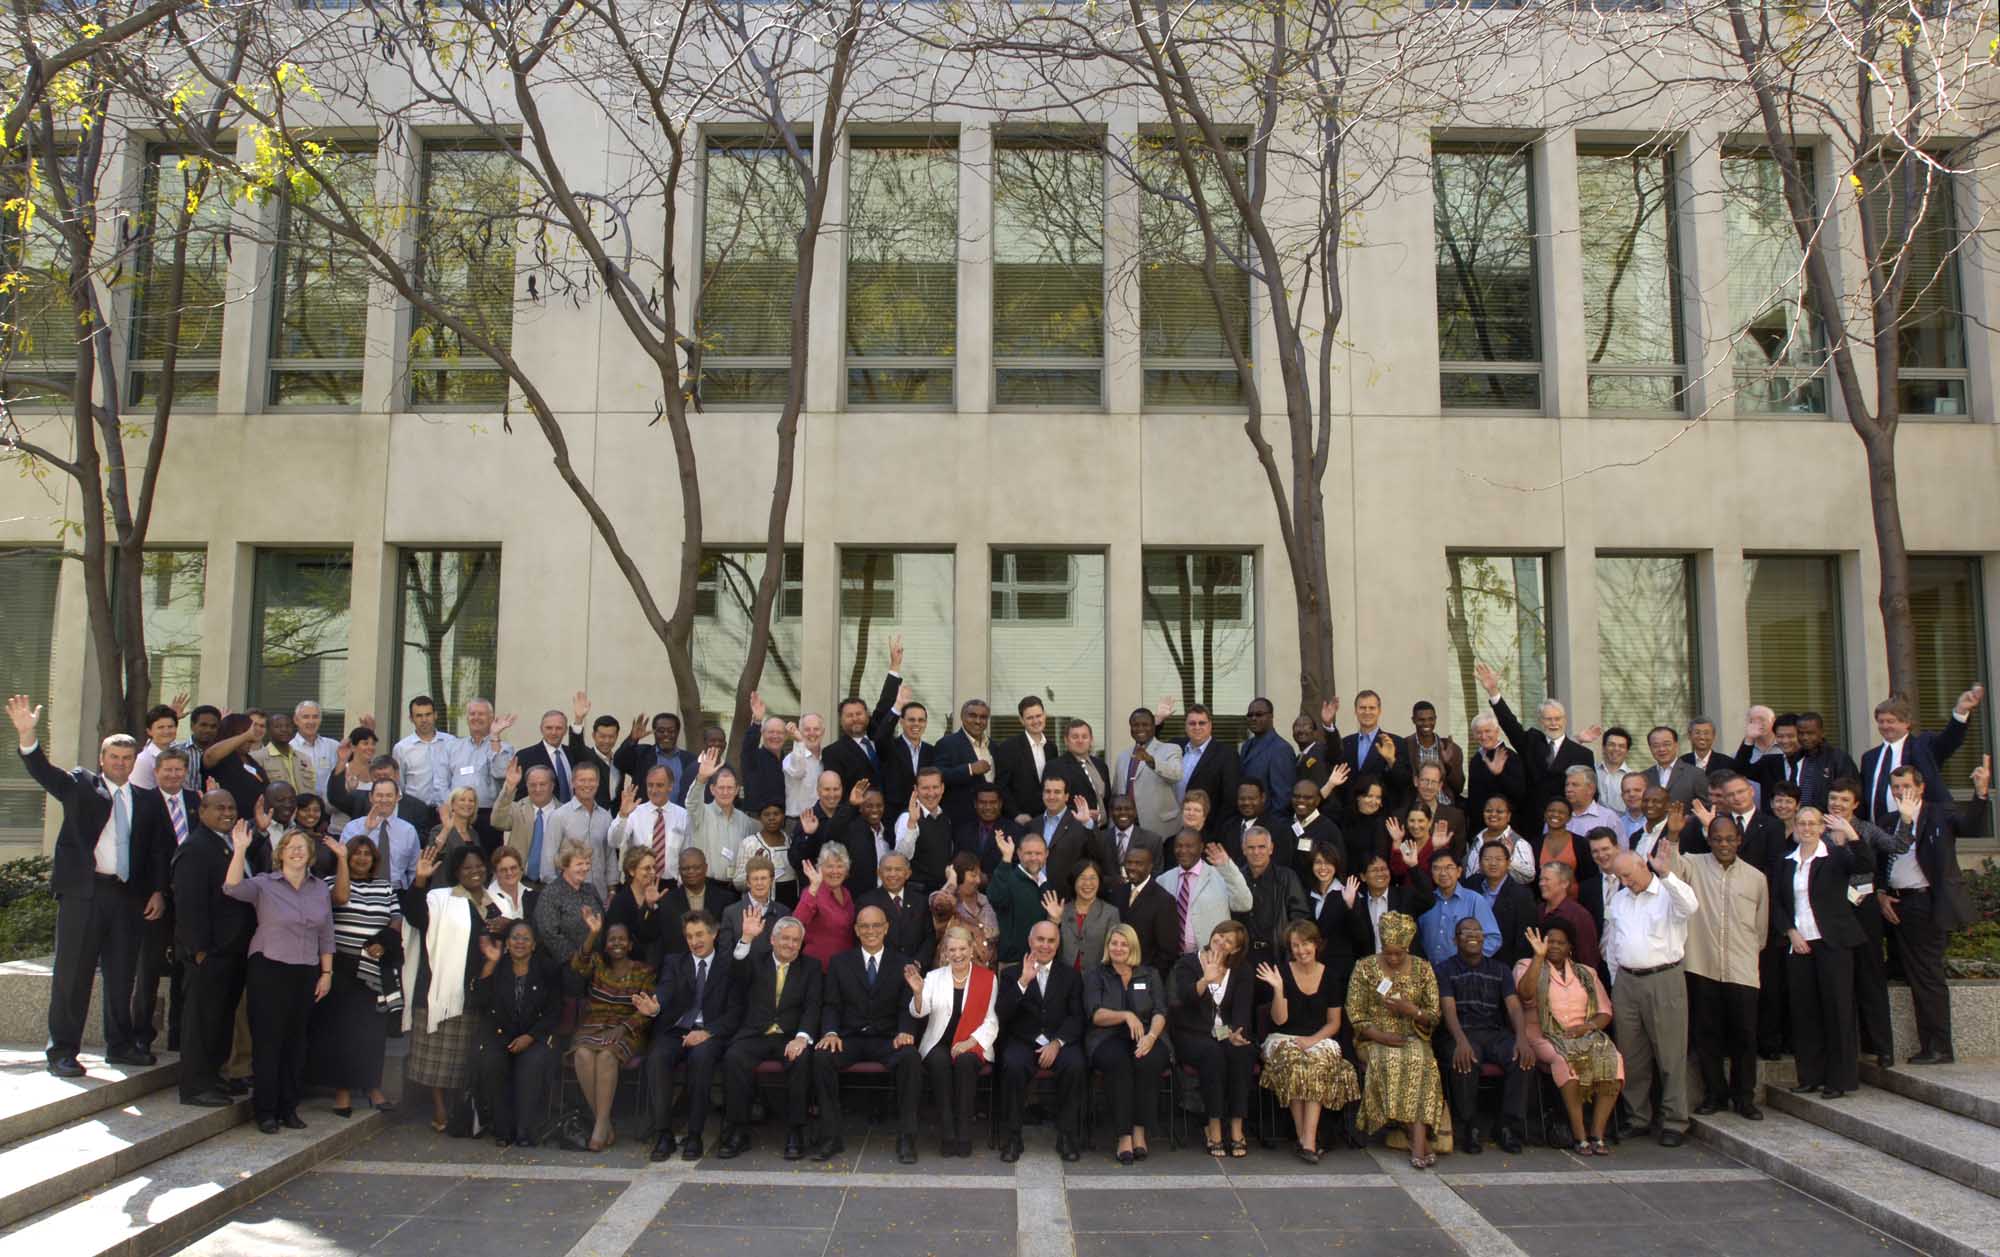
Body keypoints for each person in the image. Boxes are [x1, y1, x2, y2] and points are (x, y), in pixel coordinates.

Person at [9, 694, 151, 1074]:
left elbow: (155, 850)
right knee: (73, 975)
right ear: (102, 759)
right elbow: (45, 772)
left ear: (135, 762)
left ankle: (120, 1045)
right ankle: (62, 1052)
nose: (120, 763)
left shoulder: (145, 799)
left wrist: (155, 891)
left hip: (126, 896)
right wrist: (27, 736)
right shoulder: (82, 785)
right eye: (114, 757)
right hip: (84, 894)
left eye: (127, 758)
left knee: (122, 975)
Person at [223, 826, 334, 1134]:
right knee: (268, 1041)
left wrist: (327, 973)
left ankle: (289, 1108)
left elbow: (326, 934)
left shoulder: (320, 889)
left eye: (302, 846)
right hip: (269, 967)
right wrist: (240, 849)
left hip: (306, 969)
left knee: (295, 1043)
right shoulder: (264, 884)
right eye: (290, 846)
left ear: (310, 855)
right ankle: (266, 1111)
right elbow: (231, 887)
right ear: (280, 853)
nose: (297, 851)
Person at [1879, 758, 1991, 1064]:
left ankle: (1939, 1047)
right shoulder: (1888, 821)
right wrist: (1881, 894)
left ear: (1921, 788)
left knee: (1927, 976)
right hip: (1895, 904)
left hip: (1926, 903)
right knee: (1909, 974)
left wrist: (1981, 793)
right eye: (1895, 787)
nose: (1900, 792)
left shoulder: (1939, 814)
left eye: (1906, 786)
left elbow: (1971, 828)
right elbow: (1881, 863)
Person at [1659, 807, 1767, 1119]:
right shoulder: (1693, 864)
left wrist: (1747, 952)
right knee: (1707, 1035)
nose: (1723, 844)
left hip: (1742, 968)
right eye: (1717, 839)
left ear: (1739, 840)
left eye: (1729, 839)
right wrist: (1674, 834)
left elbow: (1760, 929)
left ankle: (1744, 1098)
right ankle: (1715, 1095)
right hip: (1702, 965)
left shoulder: (1756, 878)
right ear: (1709, 839)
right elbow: (1670, 872)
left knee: (1745, 1036)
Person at [405, 842, 508, 1134]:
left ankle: (462, 1112)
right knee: (437, 1060)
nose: (474, 871)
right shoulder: (441, 898)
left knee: (464, 1060)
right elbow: (415, 916)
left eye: (479, 866)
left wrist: (507, 926)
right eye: (467, 868)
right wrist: (420, 880)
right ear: (456, 872)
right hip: (441, 989)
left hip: (477, 991)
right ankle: (439, 1109)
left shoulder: (495, 902)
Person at [808, 904, 921, 1162]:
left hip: (887, 1038)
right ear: (857, 930)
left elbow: (906, 1005)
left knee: (910, 1058)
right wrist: (830, 1032)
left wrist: (905, 1031)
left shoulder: (903, 963)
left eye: (876, 925)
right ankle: (830, 1137)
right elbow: (831, 1004)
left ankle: (907, 1138)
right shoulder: (840, 962)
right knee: (822, 1057)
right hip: (850, 1038)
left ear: (886, 928)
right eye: (865, 926)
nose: (871, 931)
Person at [1603, 847, 1698, 1146]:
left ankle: (1675, 1121)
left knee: (1670, 1053)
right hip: (1626, 981)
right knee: (1632, 1054)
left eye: (1628, 875)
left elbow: (1690, 906)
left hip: (1663, 978)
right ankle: (1637, 1117)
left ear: (1642, 866)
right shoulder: (1620, 899)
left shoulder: (1668, 893)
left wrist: (1666, 873)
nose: (1625, 882)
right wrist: (1615, 981)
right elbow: (1613, 943)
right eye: (1620, 877)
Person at [305, 833, 401, 1117]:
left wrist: (383, 941)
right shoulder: (330, 883)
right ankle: (343, 1091)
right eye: (356, 853)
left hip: (374, 967)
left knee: (372, 1032)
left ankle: (373, 1087)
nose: (362, 858)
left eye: (367, 854)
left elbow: (396, 920)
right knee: (342, 1031)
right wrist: (341, 860)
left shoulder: (385, 887)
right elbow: (340, 898)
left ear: (374, 859)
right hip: (342, 967)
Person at [636, 908, 740, 1161]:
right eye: (690, 936)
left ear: (714, 934)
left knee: (700, 1059)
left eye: (700, 934)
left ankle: (694, 1134)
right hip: (677, 1030)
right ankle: (663, 1133)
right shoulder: (675, 962)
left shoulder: (728, 965)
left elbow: (736, 1011)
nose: (695, 941)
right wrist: (655, 1006)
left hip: (710, 1032)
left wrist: (708, 1032)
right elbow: (665, 990)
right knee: (657, 1057)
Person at [1774, 806, 1863, 1099]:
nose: (1807, 828)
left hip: (1832, 943)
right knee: (1805, 1012)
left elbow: (1865, 863)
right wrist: (1790, 932)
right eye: (1802, 823)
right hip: (1800, 944)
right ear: (1795, 828)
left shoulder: (1834, 857)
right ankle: (1810, 1076)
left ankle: (1839, 1080)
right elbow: (1777, 903)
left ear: (1822, 828)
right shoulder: (1785, 862)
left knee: (1837, 1011)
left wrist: (1850, 834)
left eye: (1812, 823)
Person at [1348, 911, 1449, 1166]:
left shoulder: (1423, 969)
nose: (1393, 958)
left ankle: (1416, 1138)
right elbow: (1355, 1014)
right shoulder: (1365, 967)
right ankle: (1419, 1143)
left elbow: (1434, 1015)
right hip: (1373, 1038)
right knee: (1391, 1060)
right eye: (1388, 953)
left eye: (1399, 953)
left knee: (1421, 1063)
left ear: (1408, 947)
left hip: (1413, 1037)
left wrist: (1411, 1011)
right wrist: (1381, 1036)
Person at [174, 790, 254, 1106]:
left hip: (232, 950)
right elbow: (189, 903)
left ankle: (212, 1077)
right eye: (219, 807)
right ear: (202, 811)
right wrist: (199, 949)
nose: (227, 812)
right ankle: (194, 1086)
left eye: (232, 807)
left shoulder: (228, 843)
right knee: (201, 1020)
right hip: (208, 953)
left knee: (220, 1019)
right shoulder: (195, 848)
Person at [719, 911, 820, 1159]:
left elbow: (813, 1006)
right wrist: (746, 938)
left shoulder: (811, 967)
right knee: (734, 1057)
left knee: (802, 1059)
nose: (790, 944)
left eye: (796, 940)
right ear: (773, 940)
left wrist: (802, 1037)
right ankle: (738, 1130)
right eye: (785, 938)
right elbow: (736, 972)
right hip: (756, 1034)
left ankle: (796, 1131)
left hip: (789, 1036)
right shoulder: (755, 960)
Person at [1258, 918, 1361, 1162]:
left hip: (1320, 1037)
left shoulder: (1330, 975)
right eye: (1295, 945)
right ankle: (1305, 1139)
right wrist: (1278, 989)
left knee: (1315, 1063)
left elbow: (1334, 1022)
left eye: (1305, 944)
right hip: (1284, 1036)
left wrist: (1312, 1040)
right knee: (1295, 1062)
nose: (1301, 950)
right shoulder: (1282, 972)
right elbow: (1279, 1020)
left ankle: (1307, 1140)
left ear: (1316, 945)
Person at [1516, 921, 1622, 1154]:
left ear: (1570, 947)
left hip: (1583, 1034)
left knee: (1614, 1058)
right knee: (1564, 1061)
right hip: (1543, 1036)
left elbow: (1605, 1011)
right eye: (1550, 941)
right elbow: (1525, 994)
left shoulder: (1586, 973)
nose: (1554, 946)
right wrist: (1538, 957)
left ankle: (1597, 1134)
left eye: (1560, 943)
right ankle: (1579, 1135)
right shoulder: (1526, 965)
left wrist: (1588, 1027)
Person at [1436, 916, 1534, 1155]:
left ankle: (1507, 1126)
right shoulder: (1444, 969)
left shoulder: (1500, 969)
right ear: (1455, 940)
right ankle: (1470, 1126)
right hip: (1460, 1032)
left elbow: (1513, 1006)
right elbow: (1448, 1009)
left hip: (1493, 1033)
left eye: (1477, 931)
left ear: (1484, 938)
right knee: (1465, 1060)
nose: (1473, 935)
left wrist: (1522, 1039)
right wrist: (1461, 1041)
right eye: (1466, 931)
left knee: (1521, 1059)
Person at [995, 920, 1086, 1163]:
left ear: (1058, 944)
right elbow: (1002, 1013)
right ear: (1030, 941)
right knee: (1013, 1065)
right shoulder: (1011, 973)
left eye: (1051, 940)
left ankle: (1066, 1136)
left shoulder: (1070, 975)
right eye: (1040, 939)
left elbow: (1077, 1017)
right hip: (1023, 1040)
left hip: (1059, 1042)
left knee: (1075, 1065)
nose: (1045, 945)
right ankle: (1013, 1136)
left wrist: (1057, 1043)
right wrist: (1023, 982)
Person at [132, 744, 201, 1058]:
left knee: (185, 968)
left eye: (178, 770)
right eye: (167, 770)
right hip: (156, 898)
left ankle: (179, 1036)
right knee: (149, 968)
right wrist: (156, 890)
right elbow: (142, 852)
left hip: (188, 899)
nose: (173, 775)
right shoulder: (143, 802)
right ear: (156, 772)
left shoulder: (196, 801)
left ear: (186, 772)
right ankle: (141, 1036)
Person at [567, 908, 656, 1151]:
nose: (617, 943)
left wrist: (624, 1028)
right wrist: (593, 933)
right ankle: (604, 1123)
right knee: (582, 1054)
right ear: (605, 945)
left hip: (627, 1030)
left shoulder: (644, 971)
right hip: (592, 1025)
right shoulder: (598, 964)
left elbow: (647, 1010)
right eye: (611, 939)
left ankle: (600, 1126)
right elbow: (577, 964)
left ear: (630, 945)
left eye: (622, 939)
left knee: (607, 1056)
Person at [906, 924, 998, 1157]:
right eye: (952, 950)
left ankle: (964, 1133)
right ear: (945, 952)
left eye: (962, 949)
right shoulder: (934, 977)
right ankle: (947, 1133)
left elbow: (991, 1020)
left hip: (971, 1043)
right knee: (939, 1062)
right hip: (939, 1042)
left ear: (971, 949)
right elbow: (920, 1012)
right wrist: (918, 993)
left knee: (966, 1062)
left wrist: (970, 1043)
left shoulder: (988, 978)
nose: (957, 954)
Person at [470, 919, 563, 1148]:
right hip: (501, 1035)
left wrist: (530, 1037)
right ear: (507, 943)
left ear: (534, 944)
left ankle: (525, 1131)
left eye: (525, 938)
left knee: (531, 1064)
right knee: (492, 1062)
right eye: (515, 937)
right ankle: (502, 1130)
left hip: (536, 1036)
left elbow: (554, 1011)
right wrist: (490, 963)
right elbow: (479, 1001)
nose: (520, 942)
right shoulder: (498, 966)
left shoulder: (547, 968)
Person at [1169, 920, 1257, 1158]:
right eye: (1219, 935)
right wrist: (1205, 980)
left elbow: (1241, 1012)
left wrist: (1235, 1033)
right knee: (1212, 1053)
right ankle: (1214, 1124)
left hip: (1224, 1033)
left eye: (1228, 941)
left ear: (1235, 949)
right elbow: (1183, 1000)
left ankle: (1237, 1126)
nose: (1221, 941)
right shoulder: (1188, 963)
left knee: (1242, 1051)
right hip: (1192, 1033)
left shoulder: (1242, 970)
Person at [1084, 923, 1169, 1165]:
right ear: (1107, 946)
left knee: (1147, 1061)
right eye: (1114, 943)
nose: (1118, 948)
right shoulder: (1096, 975)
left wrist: (1151, 1037)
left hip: (1147, 1035)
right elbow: (1095, 1014)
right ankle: (1124, 1135)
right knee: (1119, 1063)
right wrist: (1125, 1015)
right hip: (1106, 1037)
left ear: (1133, 947)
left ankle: (1139, 1129)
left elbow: (1160, 1011)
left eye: (1124, 944)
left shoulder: (1149, 974)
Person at [1475, 662, 1600, 817]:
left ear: (1565, 720)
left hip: (1567, 821)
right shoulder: (1531, 742)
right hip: (1532, 821)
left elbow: (1592, 793)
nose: (1553, 723)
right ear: (1541, 721)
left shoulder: (1582, 754)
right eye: (1548, 719)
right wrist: (1493, 691)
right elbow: (1510, 723)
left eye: (1557, 719)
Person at [821, 655, 902, 799]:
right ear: (841, 721)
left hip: (891, 808)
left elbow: (885, 702)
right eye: (849, 715)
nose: (855, 718)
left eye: (859, 714)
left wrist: (895, 665)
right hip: (860, 810)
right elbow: (837, 794)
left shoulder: (878, 733)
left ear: (867, 715)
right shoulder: (832, 753)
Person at [1303, 843, 1365, 1007]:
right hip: (1311, 967)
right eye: (1318, 862)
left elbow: (1361, 936)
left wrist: (1350, 907)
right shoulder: (1306, 893)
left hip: (1340, 969)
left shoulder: (1348, 891)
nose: (1323, 868)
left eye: (1328, 862)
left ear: (1336, 865)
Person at [1414, 848, 1499, 965]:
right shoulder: (1425, 901)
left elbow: (1493, 939)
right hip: (1428, 970)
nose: (1443, 873)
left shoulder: (1475, 900)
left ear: (1459, 872)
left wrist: (1470, 961)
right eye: (1437, 868)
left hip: (1463, 971)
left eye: (1449, 867)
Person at [1239, 826, 1309, 966]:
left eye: (1262, 847)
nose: (1256, 852)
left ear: (1271, 848)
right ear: (1243, 849)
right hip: (1244, 956)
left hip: (1278, 955)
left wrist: (1292, 952)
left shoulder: (1287, 877)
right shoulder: (1237, 878)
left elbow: (1300, 917)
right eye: (1251, 847)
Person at [1107, 843, 1179, 975]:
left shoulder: (1164, 900)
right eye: (1129, 863)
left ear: (1150, 866)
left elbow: (1168, 951)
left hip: (1145, 977)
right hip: (1114, 974)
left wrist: (1149, 977)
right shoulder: (1117, 893)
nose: (1132, 867)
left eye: (1138, 864)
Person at [533, 837, 606, 964]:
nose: (585, 868)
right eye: (579, 864)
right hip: (566, 966)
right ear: (565, 865)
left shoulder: (590, 889)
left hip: (597, 962)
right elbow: (549, 934)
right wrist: (576, 959)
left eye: (587, 863)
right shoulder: (551, 894)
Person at [340, 778, 422, 890]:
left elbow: (413, 869)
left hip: (397, 891)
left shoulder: (408, 830)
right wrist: (367, 830)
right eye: (379, 795)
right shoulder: (353, 826)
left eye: (389, 795)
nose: (384, 800)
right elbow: (344, 857)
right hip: (360, 888)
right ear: (371, 797)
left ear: (397, 798)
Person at [1114, 705, 1184, 835]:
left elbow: (1176, 774)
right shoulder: (1123, 756)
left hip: (1161, 828)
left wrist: (1151, 761)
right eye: (1136, 725)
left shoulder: (1170, 749)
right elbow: (1116, 793)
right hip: (1128, 827)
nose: (1140, 728)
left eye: (1145, 725)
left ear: (1153, 727)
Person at [1176, 704, 1242, 841]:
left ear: (1210, 725)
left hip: (1206, 832)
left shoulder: (1227, 755)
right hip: (1174, 827)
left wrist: (1214, 833)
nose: (1197, 727)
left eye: (1202, 723)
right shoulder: (1176, 748)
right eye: (1192, 723)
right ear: (1185, 726)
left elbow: (1229, 800)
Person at [554, 761, 617, 902]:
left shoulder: (605, 817)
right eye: (582, 780)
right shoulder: (559, 816)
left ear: (598, 783)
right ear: (573, 783)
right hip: (568, 896)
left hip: (600, 895)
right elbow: (549, 859)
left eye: (591, 780)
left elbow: (610, 855)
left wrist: (612, 890)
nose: (587, 785)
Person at [1339, 691, 1411, 812]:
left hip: (1383, 813)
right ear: (1355, 711)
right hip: (1350, 814)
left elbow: (1405, 782)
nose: (1367, 712)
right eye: (1362, 708)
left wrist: (1391, 760)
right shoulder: (1345, 743)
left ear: (1379, 711)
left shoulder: (1396, 742)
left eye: (1372, 708)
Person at [492, 761, 562, 882]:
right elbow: (497, 821)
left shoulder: (564, 813)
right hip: (518, 881)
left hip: (553, 883)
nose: (537, 789)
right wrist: (509, 787)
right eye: (532, 785)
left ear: (552, 786)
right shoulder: (517, 808)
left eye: (542, 784)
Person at [860, 851, 934, 965]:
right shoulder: (866, 902)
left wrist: (918, 963)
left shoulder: (921, 901)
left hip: (915, 969)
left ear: (908, 873)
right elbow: (863, 939)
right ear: (879, 873)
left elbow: (929, 937)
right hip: (882, 969)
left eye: (898, 869)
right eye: (888, 869)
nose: (893, 874)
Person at [927, 853, 1000, 966]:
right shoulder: (947, 901)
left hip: (984, 972)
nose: (978, 880)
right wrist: (952, 881)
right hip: (953, 971)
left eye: (979, 875)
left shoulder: (986, 901)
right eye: (973, 875)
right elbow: (940, 904)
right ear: (959, 876)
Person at [793, 843, 860, 967]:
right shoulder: (812, 892)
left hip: (845, 966)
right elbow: (796, 923)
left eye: (840, 866)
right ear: (820, 869)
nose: (835, 871)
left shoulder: (846, 893)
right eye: (829, 866)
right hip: (818, 968)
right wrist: (814, 887)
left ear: (846, 870)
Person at [1048, 858, 1119, 970]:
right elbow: (1048, 946)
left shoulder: (1110, 913)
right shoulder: (1060, 910)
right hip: (1064, 976)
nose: (1087, 883)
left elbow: (1115, 950)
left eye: (1093, 878)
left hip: (1097, 977)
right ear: (1074, 881)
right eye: (1082, 878)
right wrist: (1054, 922)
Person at [933, 698, 994, 826]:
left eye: (983, 717)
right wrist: (969, 769)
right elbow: (938, 776)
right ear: (962, 717)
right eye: (972, 716)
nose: (978, 721)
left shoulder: (993, 746)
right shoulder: (947, 744)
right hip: (960, 820)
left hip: (991, 819)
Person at [1356, 853, 1433, 954]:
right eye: (1374, 870)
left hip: (1405, 961)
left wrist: (1413, 867)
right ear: (1363, 877)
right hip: (1373, 962)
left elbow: (1429, 900)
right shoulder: (1358, 904)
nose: (1380, 873)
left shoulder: (1405, 895)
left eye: (1384, 869)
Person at [1464, 712, 1529, 830]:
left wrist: (1499, 774)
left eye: (1487, 731)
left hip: (1507, 827)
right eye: (1479, 732)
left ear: (1497, 731)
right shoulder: (1476, 759)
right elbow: (1474, 797)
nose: (1483, 736)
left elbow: (1519, 793)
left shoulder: (1510, 757)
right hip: (1480, 827)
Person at [1239, 698, 1297, 826]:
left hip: (1268, 826)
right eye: (1250, 715)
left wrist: (1266, 825)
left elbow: (1283, 798)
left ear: (1271, 717)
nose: (1253, 718)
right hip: (1248, 823)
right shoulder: (1246, 746)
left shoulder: (1281, 749)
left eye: (1259, 714)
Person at [604, 846, 666, 966]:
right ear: (632, 871)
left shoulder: (659, 897)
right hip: (627, 968)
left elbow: (655, 935)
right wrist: (648, 906)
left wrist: (651, 906)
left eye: (654, 867)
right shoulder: (620, 902)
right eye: (647, 868)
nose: (653, 872)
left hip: (656, 966)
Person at [204, 712, 272, 822]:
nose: (251, 737)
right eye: (247, 732)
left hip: (254, 823)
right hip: (227, 822)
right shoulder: (222, 758)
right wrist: (245, 736)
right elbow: (210, 756)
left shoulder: (250, 760)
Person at [739, 802, 800, 905]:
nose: (772, 818)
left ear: (783, 816)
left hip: (792, 903)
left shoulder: (791, 841)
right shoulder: (749, 844)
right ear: (759, 818)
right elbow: (738, 883)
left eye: (776, 814)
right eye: (766, 814)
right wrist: (754, 870)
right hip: (761, 906)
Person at [1408, 701, 1467, 801]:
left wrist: (1448, 764)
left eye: (1431, 719)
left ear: (1435, 719)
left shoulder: (1451, 748)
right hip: (1416, 806)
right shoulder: (1405, 746)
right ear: (1413, 720)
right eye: (1421, 720)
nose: (1426, 723)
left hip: (1444, 805)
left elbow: (1458, 787)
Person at [1473, 795, 1535, 884]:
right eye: (1488, 811)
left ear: (1509, 816)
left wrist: (1509, 858)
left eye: (1499, 811)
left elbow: (1530, 876)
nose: (1493, 814)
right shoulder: (1477, 839)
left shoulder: (1519, 843)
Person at [430, 786, 482, 853]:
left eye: (471, 800)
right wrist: (446, 830)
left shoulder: (474, 833)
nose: (467, 803)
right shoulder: (438, 830)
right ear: (452, 804)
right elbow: (432, 853)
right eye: (462, 800)